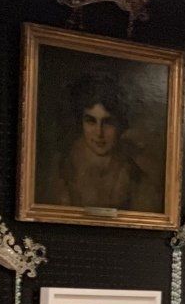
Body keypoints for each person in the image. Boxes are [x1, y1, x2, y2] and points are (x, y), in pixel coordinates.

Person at [48, 70, 155, 212]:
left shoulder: (134, 175)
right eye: (91, 121)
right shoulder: (63, 168)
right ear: (81, 123)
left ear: (120, 124)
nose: (99, 133)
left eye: (108, 122)